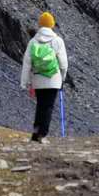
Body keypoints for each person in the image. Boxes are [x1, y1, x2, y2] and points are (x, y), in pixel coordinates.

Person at [20, 11, 68, 143]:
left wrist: (25, 82)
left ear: (40, 25)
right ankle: (42, 135)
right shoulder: (57, 41)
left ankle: (35, 134)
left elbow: (27, 63)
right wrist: (63, 78)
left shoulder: (33, 41)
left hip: (38, 80)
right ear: (52, 25)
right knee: (48, 107)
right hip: (54, 80)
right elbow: (63, 63)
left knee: (40, 106)